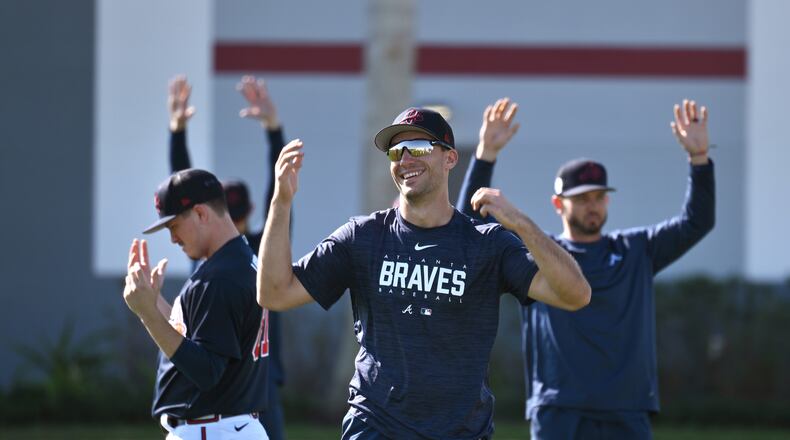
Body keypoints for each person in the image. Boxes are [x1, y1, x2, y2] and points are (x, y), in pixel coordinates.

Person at [257, 107, 591, 439]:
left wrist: (521, 223)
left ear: (450, 158)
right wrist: (281, 201)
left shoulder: (487, 244)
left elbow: (575, 294)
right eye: (395, 151)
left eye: (417, 147)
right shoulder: (362, 237)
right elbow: (274, 293)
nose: (404, 159)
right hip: (375, 428)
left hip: (460, 432)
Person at [458, 98, 716, 439]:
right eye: (580, 199)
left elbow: (696, 222)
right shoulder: (538, 253)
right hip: (558, 411)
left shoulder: (636, 250)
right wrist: (485, 154)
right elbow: (468, 229)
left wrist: (699, 159)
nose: (591, 206)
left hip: (626, 408)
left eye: (598, 197)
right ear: (558, 204)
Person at [168, 74, 287, 439]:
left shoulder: (212, 255)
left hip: (234, 389)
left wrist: (177, 133)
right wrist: (273, 130)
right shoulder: (254, 250)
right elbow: (279, 198)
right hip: (254, 386)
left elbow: (180, 192)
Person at [123, 169, 270, 439]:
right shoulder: (237, 261)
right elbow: (195, 337)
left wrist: (147, 314)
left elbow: (206, 371)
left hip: (214, 429)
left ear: (201, 214)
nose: (172, 238)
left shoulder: (219, 278)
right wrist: (154, 303)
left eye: (174, 225)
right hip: (229, 427)